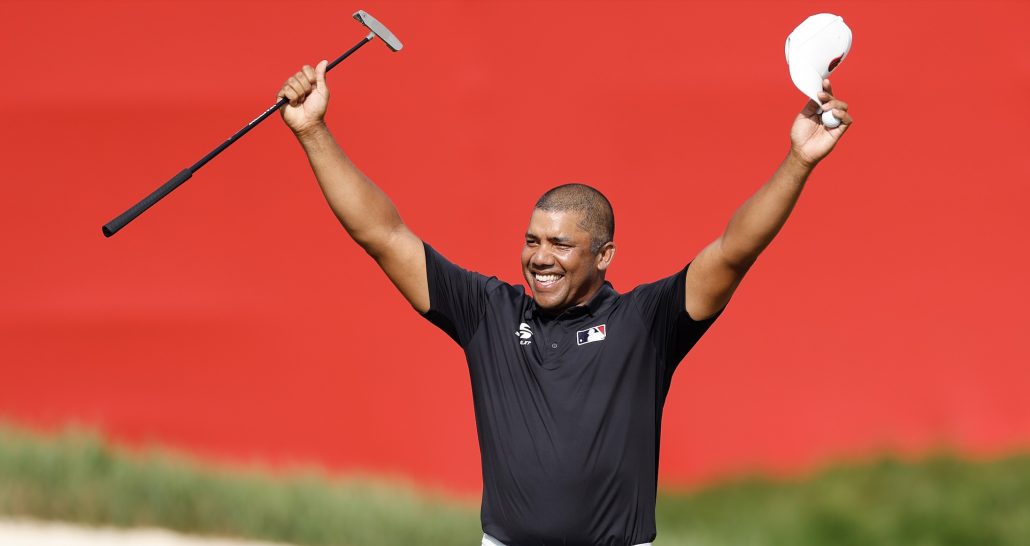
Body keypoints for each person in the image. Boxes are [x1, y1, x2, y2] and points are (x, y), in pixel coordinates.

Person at [277, 59, 851, 546]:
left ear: (604, 256)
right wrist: (312, 132)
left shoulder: (646, 323)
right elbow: (383, 234)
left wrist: (799, 161)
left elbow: (732, 252)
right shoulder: (488, 312)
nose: (539, 257)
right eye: (531, 240)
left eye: (560, 244)